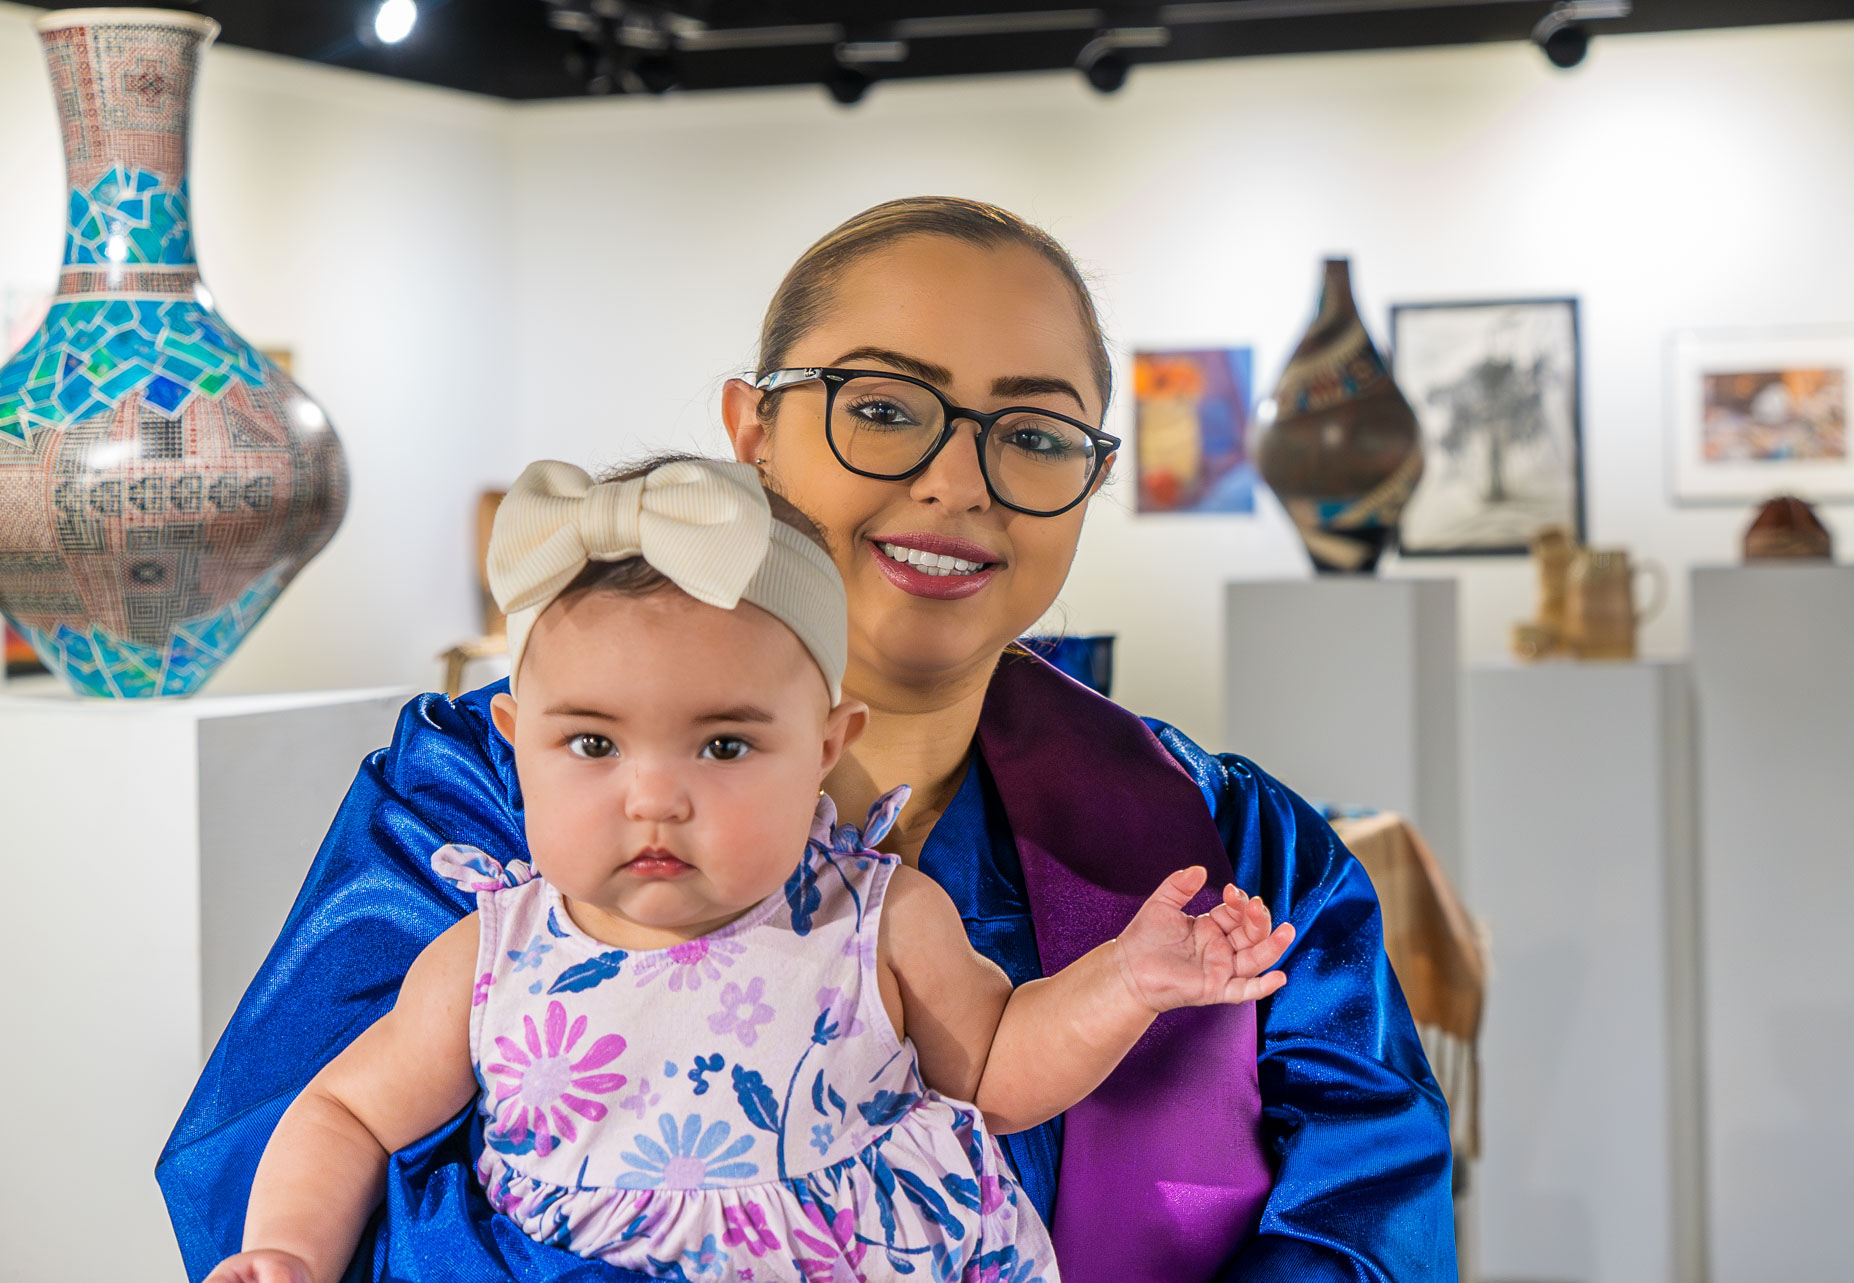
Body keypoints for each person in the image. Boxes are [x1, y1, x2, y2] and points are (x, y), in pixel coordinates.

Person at [161, 196, 1457, 1282]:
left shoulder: (1231, 847)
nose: (958, 481)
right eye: (884, 408)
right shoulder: (474, 797)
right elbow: (282, 1152)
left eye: (1034, 433)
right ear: (752, 431)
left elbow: (1365, 1220)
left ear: (1091, 479)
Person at [203, 455, 1293, 1283]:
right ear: (516, 740)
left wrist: (1126, 978)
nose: (654, 795)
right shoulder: (488, 961)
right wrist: (286, 1248)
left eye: (723, 744)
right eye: (592, 743)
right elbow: (345, 1111)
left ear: (825, 745)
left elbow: (1000, 1072)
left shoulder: (874, 920)